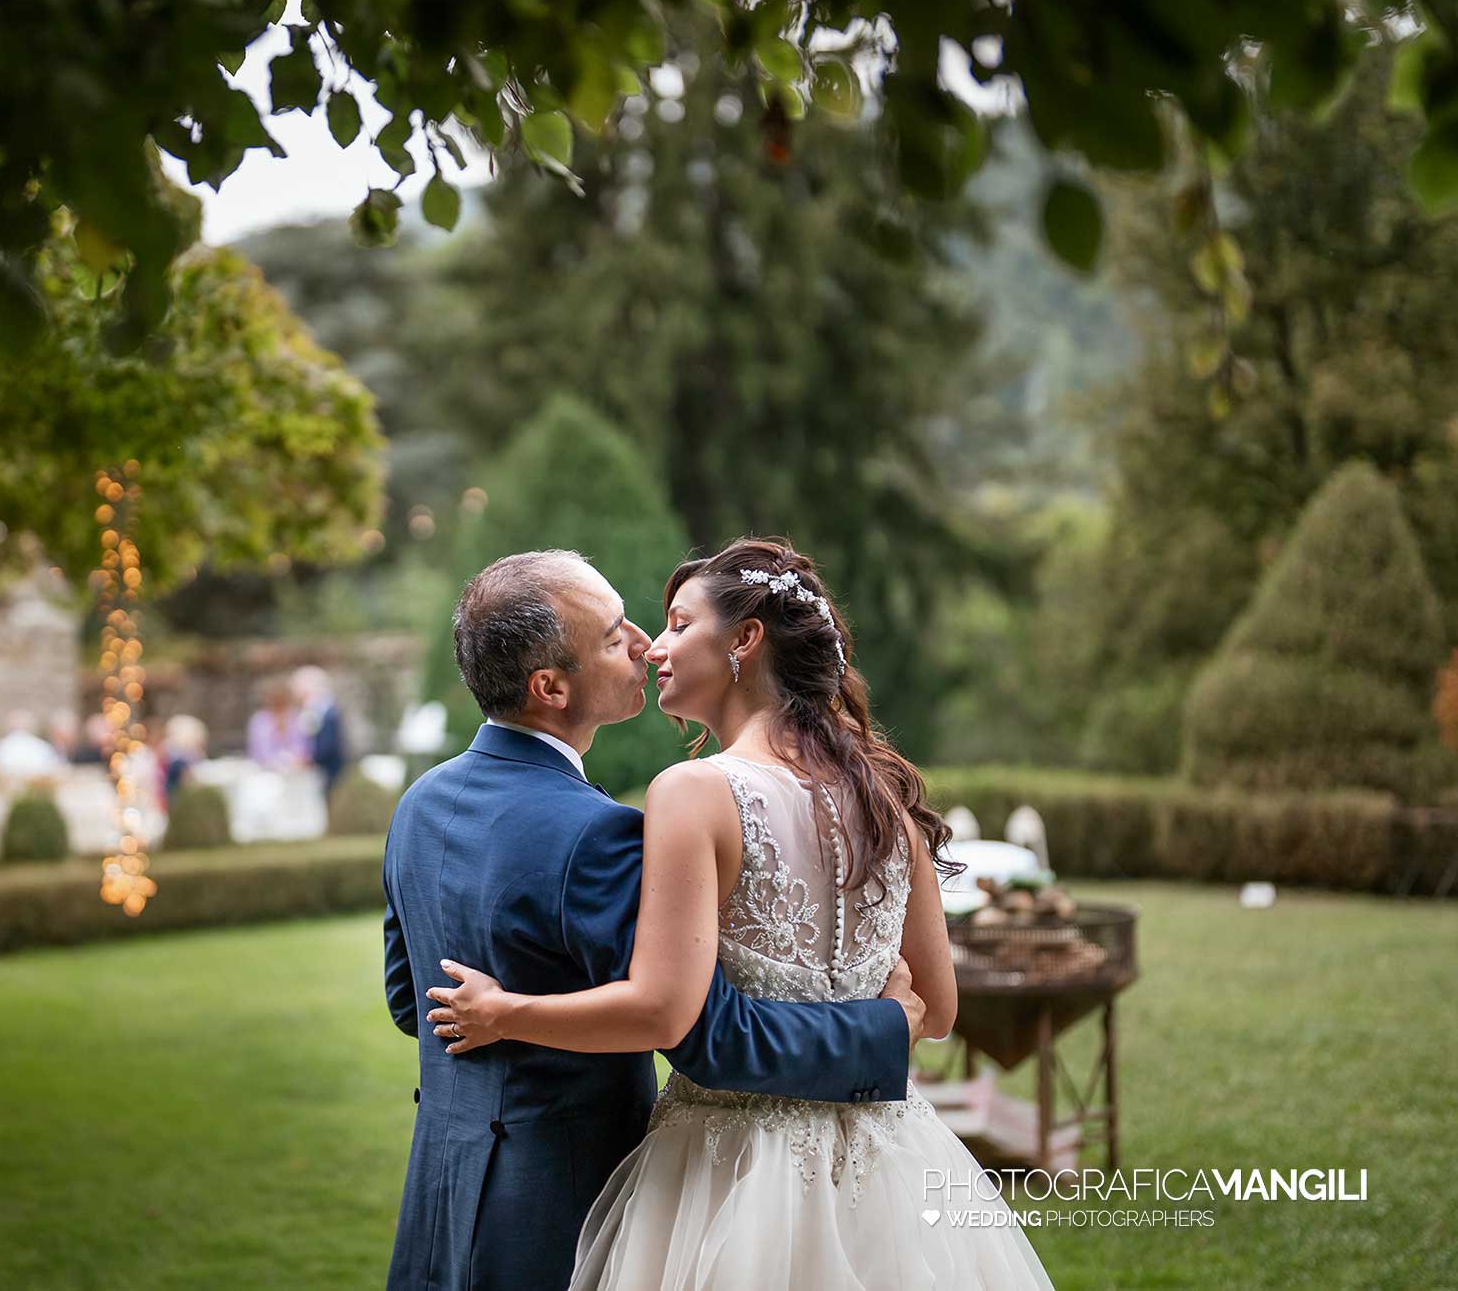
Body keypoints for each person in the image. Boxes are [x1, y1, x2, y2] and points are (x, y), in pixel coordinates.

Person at [420, 541, 1053, 1289]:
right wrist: (883, 1020)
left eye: (680, 625)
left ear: (744, 641)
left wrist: (504, 1011)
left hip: (728, 1166)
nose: (655, 646)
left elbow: (665, 1010)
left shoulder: (693, 793)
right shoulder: (887, 801)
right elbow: (937, 1011)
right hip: (892, 1160)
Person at [293, 665, 346, 797]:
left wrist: (310, 759)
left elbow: (327, 744)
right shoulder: (315, 709)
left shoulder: (324, 710)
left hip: (329, 769)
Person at [245, 681, 309, 770]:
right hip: (266, 769)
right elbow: (259, 749)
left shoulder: (295, 717)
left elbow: (303, 745)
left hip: (294, 769)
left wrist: (298, 759)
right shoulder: (259, 720)